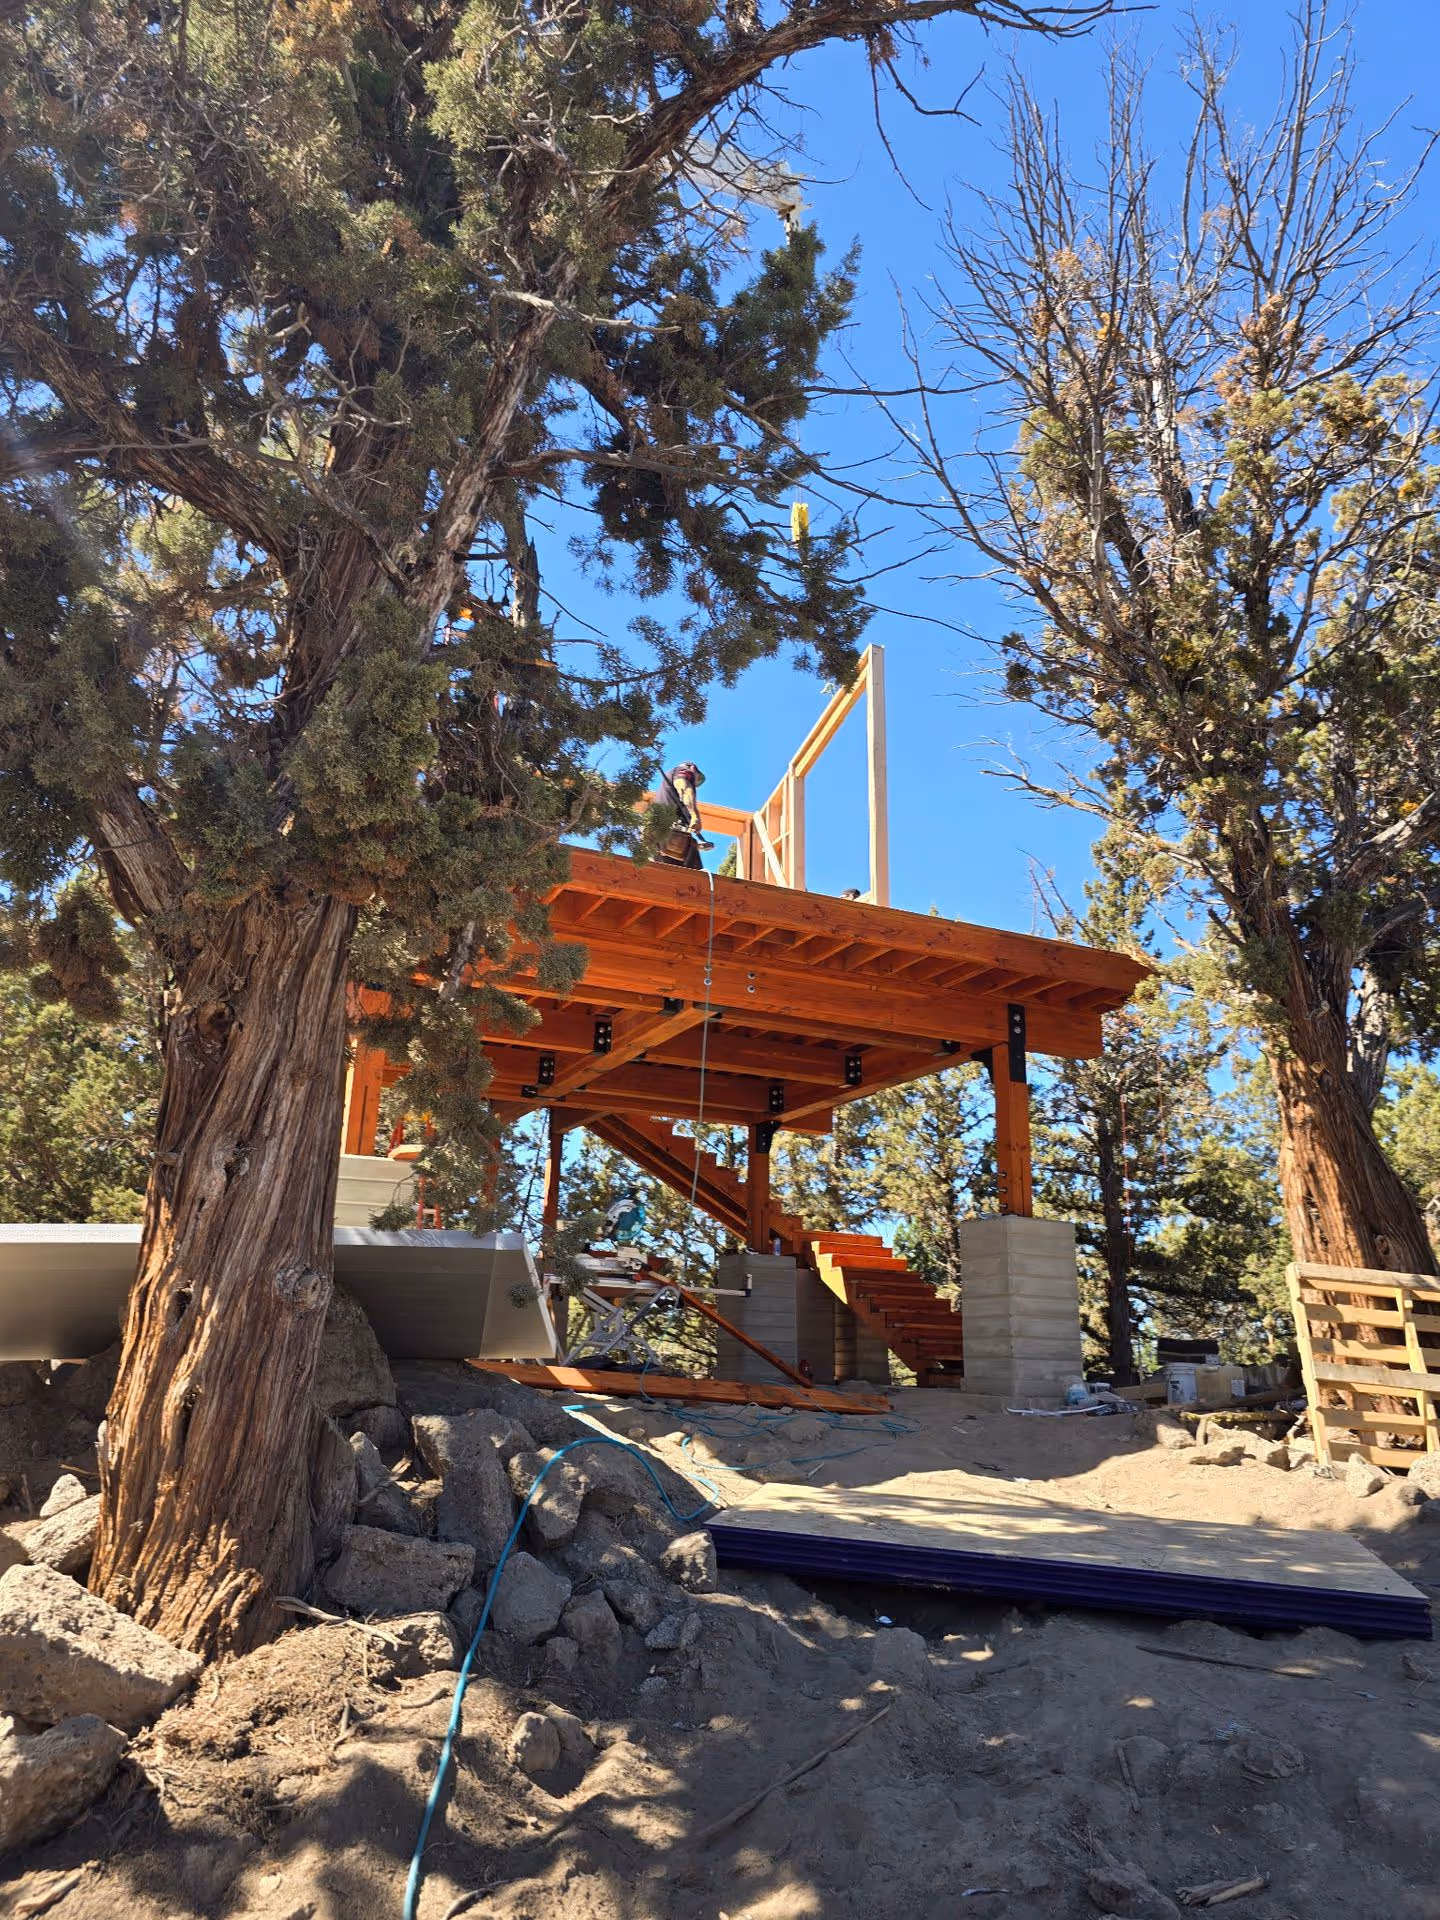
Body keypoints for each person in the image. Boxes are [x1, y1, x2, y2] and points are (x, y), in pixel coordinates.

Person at [655, 760, 711, 869]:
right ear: (693, 769)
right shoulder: (684, 771)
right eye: (696, 779)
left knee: (664, 877)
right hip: (669, 835)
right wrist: (694, 816)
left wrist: (698, 847)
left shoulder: (667, 787)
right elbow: (685, 788)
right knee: (696, 880)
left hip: (657, 838)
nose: (694, 783)